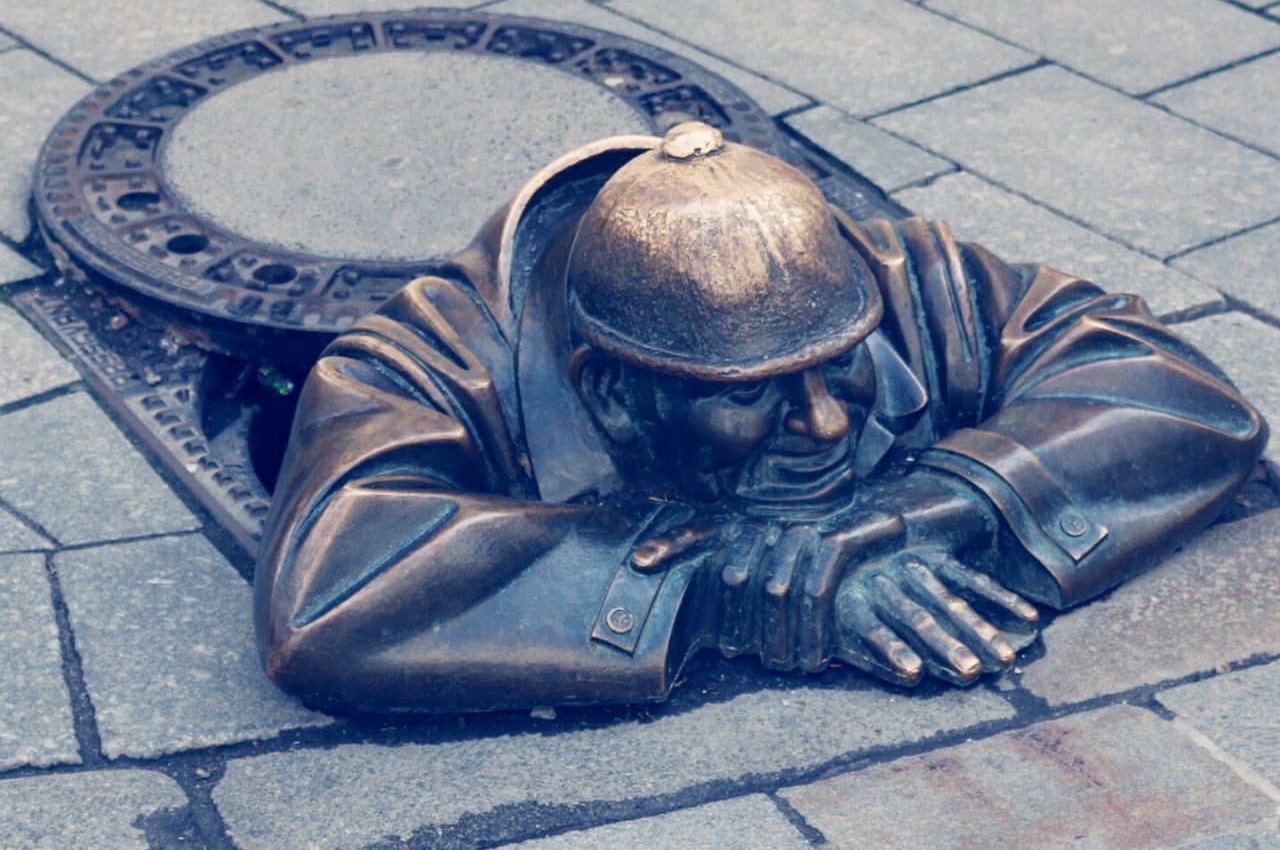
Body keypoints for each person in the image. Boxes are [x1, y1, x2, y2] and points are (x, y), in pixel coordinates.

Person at [254, 122, 1267, 713]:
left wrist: (927, 505)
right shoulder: (417, 362)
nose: (824, 424)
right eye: (748, 393)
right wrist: (717, 583)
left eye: (838, 368)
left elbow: (1173, 385)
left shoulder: (883, 271)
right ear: (611, 392)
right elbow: (329, 593)